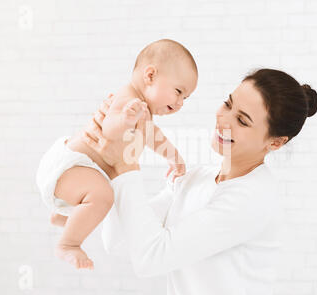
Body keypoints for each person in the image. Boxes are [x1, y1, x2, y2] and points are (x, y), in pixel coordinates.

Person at [83, 68, 317, 295]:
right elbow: (118, 241)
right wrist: (110, 161)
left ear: (275, 143)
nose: (223, 119)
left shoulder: (251, 198)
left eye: (242, 121)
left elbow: (150, 259)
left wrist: (124, 162)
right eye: (228, 104)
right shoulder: (196, 178)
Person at [35, 39, 198, 270]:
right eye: (178, 92)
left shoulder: (143, 111)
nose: (181, 102)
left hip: (79, 172)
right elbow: (109, 129)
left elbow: (154, 136)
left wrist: (174, 157)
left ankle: (68, 219)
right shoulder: (130, 99)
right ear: (150, 75)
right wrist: (125, 119)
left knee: (108, 195)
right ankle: (68, 244)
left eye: (186, 98)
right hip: (69, 167)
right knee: (103, 196)